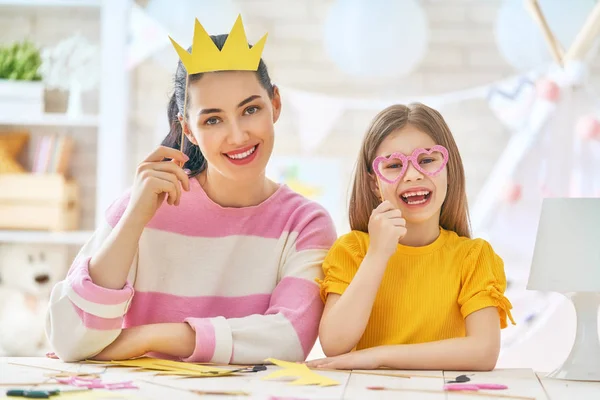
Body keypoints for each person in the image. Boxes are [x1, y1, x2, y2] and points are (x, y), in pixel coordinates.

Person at [45, 17, 337, 364]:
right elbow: (68, 339)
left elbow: (288, 339)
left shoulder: (305, 224)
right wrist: (135, 217)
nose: (238, 135)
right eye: (213, 119)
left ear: (275, 104)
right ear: (188, 129)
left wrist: (148, 337)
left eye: (250, 109)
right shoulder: (143, 206)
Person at [308, 103, 515, 371]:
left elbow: (484, 351)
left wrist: (379, 356)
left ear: (448, 170)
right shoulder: (354, 250)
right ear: (375, 184)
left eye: (427, 160)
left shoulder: (473, 257)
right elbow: (335, 343)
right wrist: (378, 254)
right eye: (394, 165)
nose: (413, 174)